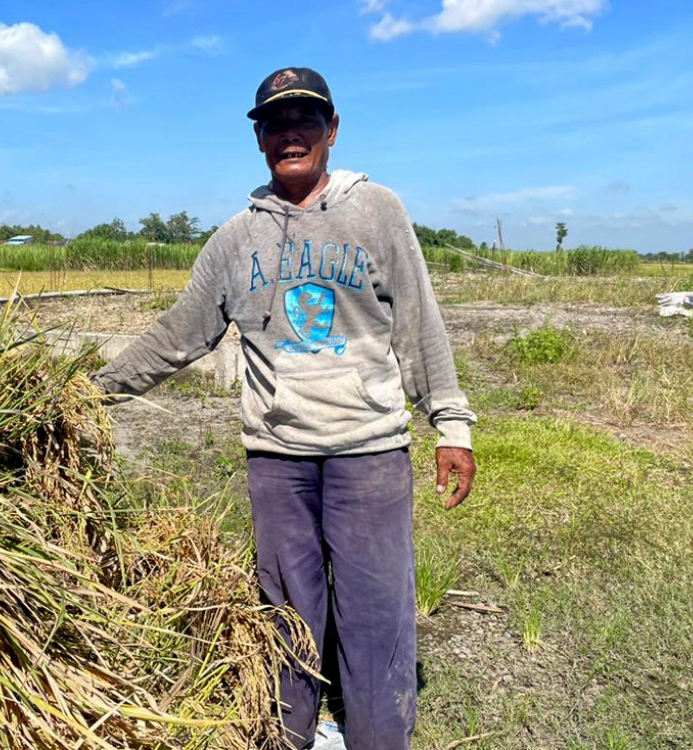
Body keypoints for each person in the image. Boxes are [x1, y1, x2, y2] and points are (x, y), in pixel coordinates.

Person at [91, 66, 477, 750]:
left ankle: (379, 738)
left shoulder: (376, 210)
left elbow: (420, 322)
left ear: (331, 130)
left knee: (376, 614)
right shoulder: (237, 239)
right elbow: (179, 332)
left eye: (304, 120)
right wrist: (90, 390)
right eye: (274, 123)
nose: (289, 134)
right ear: (259, 139)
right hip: (277, 460)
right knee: (288, 612)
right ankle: (287, 734)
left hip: (370, 451)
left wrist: (450, 422)